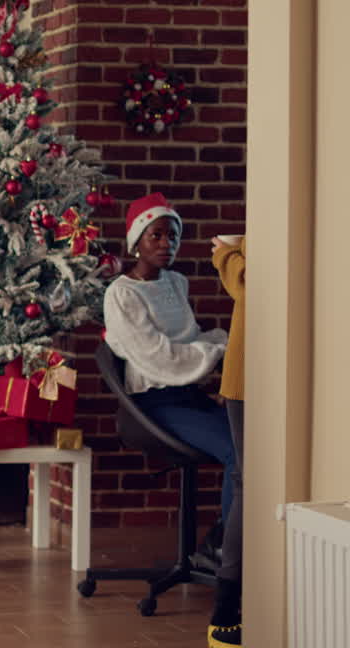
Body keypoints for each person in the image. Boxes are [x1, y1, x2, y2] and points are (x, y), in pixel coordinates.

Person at [102, 193, 243, 648]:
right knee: (239, 451)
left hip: (188, 392)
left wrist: (213, 352)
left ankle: (221, 542)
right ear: (136, 242)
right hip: (156, 403)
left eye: (174, 235)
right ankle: (222, 549)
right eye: (156, 235)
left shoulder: (177, 283)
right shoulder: (122, 294)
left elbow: (190, 339)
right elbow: (158, 358)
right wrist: (217, 350)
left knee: (253, 438)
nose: (167, 244)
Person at [209, 234, 246, 648]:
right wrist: (228, 255)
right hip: (246, 377)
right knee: (247, 482)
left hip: (258, 373)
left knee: (247, 481)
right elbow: (248, 285)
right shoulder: (242, 250)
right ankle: (225, 609)